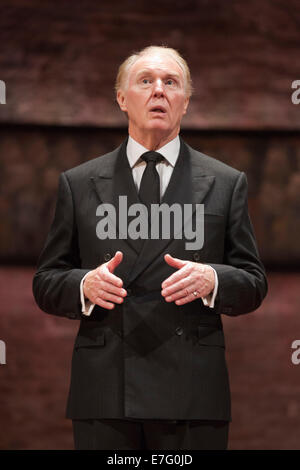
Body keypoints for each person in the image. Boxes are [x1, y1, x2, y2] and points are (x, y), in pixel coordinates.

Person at [32, 45, 268, 450]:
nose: (159, 90)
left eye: (171, 83)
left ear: (186, 102)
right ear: (122, 99)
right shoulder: (79, 182)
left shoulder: (226, 183)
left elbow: (253, 282)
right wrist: (83, 286)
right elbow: (46, 280)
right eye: (146, 81)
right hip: (106, 391)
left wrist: (213, 278)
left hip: (192, 393)